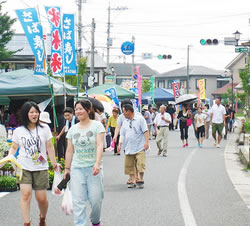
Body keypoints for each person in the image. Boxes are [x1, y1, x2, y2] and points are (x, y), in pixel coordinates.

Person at [7, 101, 57, 226]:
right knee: (25, 195)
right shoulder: (19, 131)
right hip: (24, 166)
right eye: (31, 112)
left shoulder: (44, 129)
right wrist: (10, 156)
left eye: (36, 112)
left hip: (41, 167)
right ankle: (26, 223)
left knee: (41, 199)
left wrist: (54, 163)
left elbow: (49, 147)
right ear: (26, 114)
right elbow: (14, 147)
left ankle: (42, 218)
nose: (35, 115)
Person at [65, 99, 105, 226]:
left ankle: (95, 221)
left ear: (88, 110)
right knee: (78, 202)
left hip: (93, 169)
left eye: (81, 109)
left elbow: (100, 145)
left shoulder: (97, 126)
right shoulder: (72, 129)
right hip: (77, 169)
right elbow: (69, 151)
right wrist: (67, 168)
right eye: (76, 109)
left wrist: (97, 163)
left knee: (96, 201)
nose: (78, 111)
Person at [118, 104, 149, 189]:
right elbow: (122, 134)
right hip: (128, 146)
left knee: (140, 163)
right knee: (129, 165)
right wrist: (119, 144)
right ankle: (132, 180)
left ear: (128, 111)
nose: (123, 114)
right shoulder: (125, 122)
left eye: (124, 112)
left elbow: (146, 131)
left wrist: (147, 142)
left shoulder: (140, 119)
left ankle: (140, 179)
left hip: (140, 146)